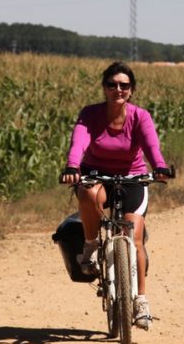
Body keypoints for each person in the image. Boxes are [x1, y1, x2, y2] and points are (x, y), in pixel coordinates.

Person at [60, 61, 172, 330]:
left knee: (134, 238)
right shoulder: (90, 114)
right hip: (96, 174)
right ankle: (90, 246)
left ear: (131, 90)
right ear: (104, 88)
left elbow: (151, 145)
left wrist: (159, 167)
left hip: (132, 177)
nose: (118, 89)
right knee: (87, 194)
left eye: (124, 85)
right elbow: (79, 141)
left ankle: (141, 301)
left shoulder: (139, 116)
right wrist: (73, 166)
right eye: (112, 85)